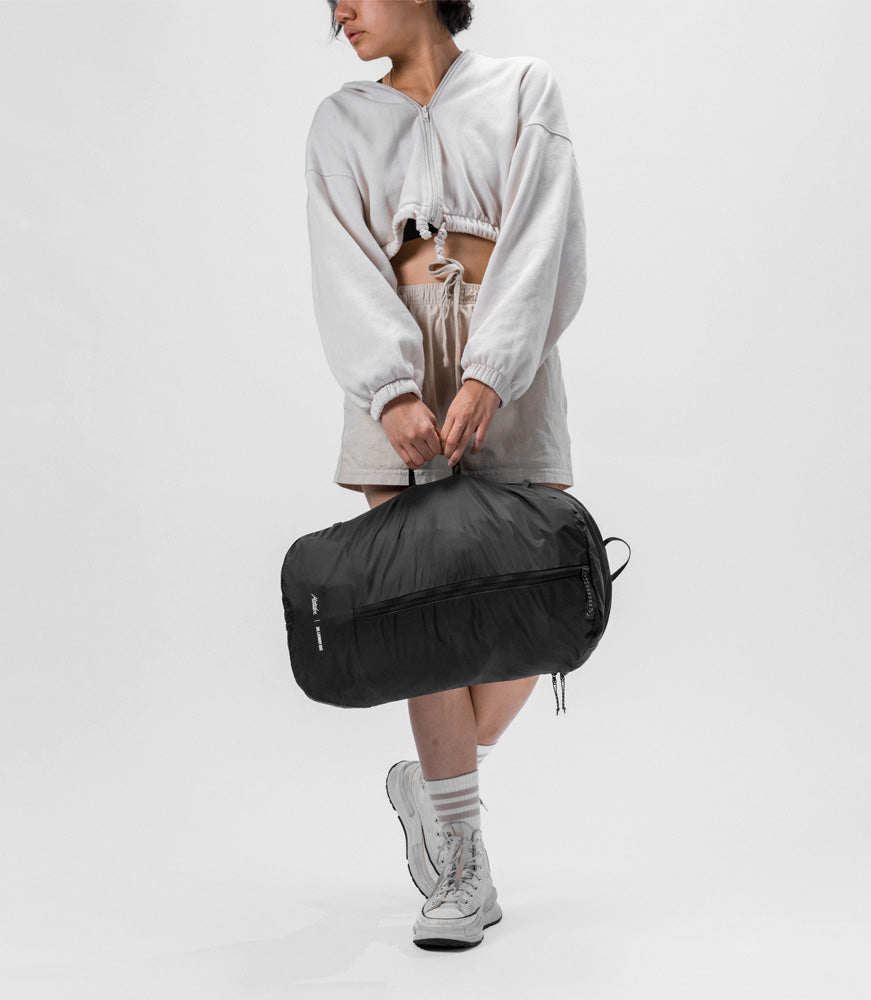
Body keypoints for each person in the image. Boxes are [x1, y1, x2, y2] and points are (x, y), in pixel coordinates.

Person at [307, 0, 586, 949]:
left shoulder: (524, 89)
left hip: (509, 347)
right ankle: (463, 863)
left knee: (541, 591)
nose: (340, 11)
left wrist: (491, 373)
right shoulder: (341, 121)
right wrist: (390, 390)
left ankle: (433, 785)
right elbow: (342, 264)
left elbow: (544, 240)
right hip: (390, 354)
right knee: (425, 610)